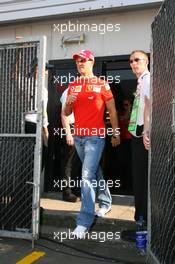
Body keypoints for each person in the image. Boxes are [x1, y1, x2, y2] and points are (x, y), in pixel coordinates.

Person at [64, 49, 120, 238]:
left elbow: (112, 111)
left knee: (86, 176)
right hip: (79, 137)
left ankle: (84, 221)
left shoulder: (102, 84)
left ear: (92, 62)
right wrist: (68, 104)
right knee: (95, 171)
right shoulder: (73, 85)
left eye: (84, 60)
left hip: (95, 137)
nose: (80, 63)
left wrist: (115, 132)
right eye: (78, 61)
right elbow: (66, 112)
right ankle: (105, 203)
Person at [128, 50, 150, 226]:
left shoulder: (148, 79)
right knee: (139, 176)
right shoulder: (141, 81)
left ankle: (142, 218)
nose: (133, 63)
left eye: (137, 60)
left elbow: (149, 105)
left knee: (142, 178)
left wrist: (146, 132)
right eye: (131, 61)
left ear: (147, 61)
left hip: (143, 135)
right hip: (138, 133)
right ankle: (141, 216)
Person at [60, 88, 82, 202]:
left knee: (77, 163)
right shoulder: (68, 92)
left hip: (81, 129)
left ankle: (75, 189)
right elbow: (63, 114)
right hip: (72, 129)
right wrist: (68, 134)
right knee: (69, 163)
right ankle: (67, 192)